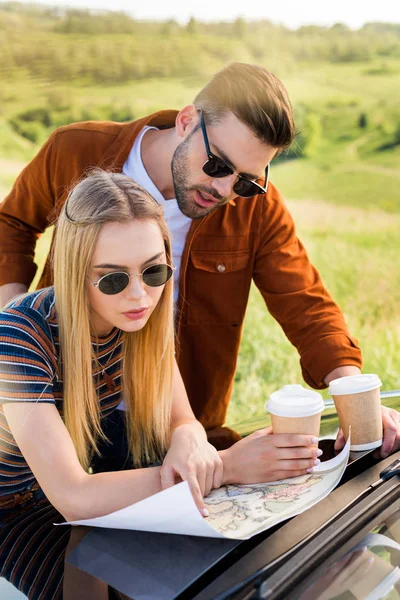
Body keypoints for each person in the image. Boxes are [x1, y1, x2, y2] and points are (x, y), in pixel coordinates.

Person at [0, 62, 399, 459]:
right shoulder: (74, 150)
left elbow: (304, 300)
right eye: (218, 165)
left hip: (176, 418)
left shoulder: (256, 208)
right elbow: (11, 225)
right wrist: (17, 325)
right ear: (188, 120)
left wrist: (352, 393)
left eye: (245, 180)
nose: (225, 190)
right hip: (61, 399)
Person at [0, 170, 319, 599]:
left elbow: (182, 420)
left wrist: (192, 444)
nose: (139, 296)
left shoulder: (137, 321)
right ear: (77, 273)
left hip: (54, 499)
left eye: (153, 272)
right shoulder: (19, 337)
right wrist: (225, 467)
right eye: (113, 279)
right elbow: (74, 496)